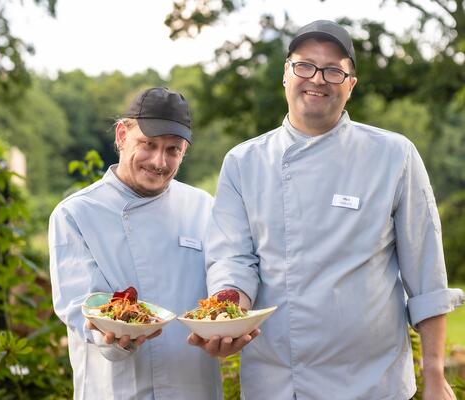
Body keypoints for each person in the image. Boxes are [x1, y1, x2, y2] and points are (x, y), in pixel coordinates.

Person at [189, 20, 465, 400]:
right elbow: (233, 259)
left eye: (334, 70)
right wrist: (228, 315)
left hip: (372, 383)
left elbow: (427, 274)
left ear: (350, 85)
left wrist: (434, 375)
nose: (317, 79)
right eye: (304, 66)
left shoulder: (394, 155)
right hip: (278, 383)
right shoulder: (243, 162)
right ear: (284, 74)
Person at [48, 87, 222, 399]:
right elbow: (80, 306)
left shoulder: (203, 207)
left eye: (173, 150)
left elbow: (223, 285)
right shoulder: (76, 213)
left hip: (192, 385)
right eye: (148, 144)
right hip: (116, 387)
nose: (159, 161)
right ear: (121, 136)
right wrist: (117, 336)